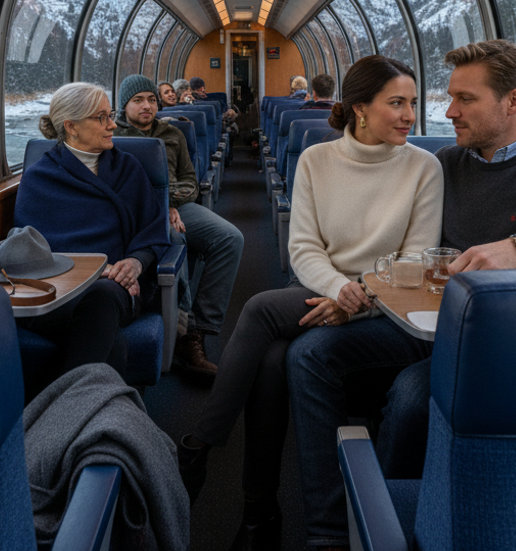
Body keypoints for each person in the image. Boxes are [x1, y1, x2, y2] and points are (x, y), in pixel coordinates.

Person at [285, 39, 516, 550]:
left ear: (512, 102)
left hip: (511, 343)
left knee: (408, 397)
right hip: (432, 325)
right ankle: (332, 528)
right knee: (306, 352)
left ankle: (386, 524)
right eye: (449, 98)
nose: (448, 112)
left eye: (465, 99)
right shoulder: (449, 162)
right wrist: (348, 284)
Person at [177, 55, 442, 551]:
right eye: (397, 103)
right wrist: (338, 291)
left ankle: (205, 454)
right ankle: (283, 520)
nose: (410, 115)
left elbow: (414, 261)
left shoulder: (424, 168)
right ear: (360, 109)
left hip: (388, 306)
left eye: (412, 103)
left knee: (259, 311)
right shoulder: (318, 160)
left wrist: (356, 298)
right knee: (275, 358)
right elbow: (303, 248)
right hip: (325, 290)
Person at [13, 82, 169, 382]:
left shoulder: (128, 167)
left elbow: (152, 230)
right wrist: (92, 270)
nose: (112, 124)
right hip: (57, 293)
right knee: (113, 345)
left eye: (110, 115)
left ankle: (56, 418)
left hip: (118, 287)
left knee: (103, 297)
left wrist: (135, 264)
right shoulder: (39, 177)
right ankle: (91, 423)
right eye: (101, 118)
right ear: (70, 126)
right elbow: (32, 251)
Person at [114, 74, 244, 378]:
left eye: (150, 99)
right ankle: (182, 334)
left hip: (179, 206)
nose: (147, 106)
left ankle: (199, 326)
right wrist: (162, 206)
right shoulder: (113, 136)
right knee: (175, 239)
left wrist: (171, 201)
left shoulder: (172, 133)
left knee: (230, 238)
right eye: (138, 100)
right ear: (124, 105)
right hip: (139, 213)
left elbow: (190, 182)